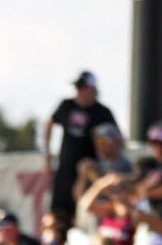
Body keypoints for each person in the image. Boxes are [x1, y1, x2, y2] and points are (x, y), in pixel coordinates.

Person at [44, 71, 118, 223]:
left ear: (92, 89)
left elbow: (117, 139)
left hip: (89, 174)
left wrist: (107, 162)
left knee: (84, 214)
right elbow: (49, 123)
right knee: (58, 215)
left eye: (82, 87)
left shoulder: (102, 112)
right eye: (77, 87)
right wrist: (47, 153)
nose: (79, 91)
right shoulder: (67, 105)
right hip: (65, 170)